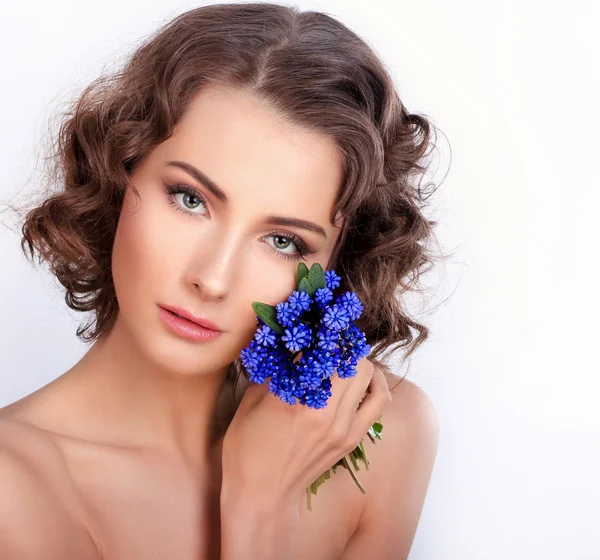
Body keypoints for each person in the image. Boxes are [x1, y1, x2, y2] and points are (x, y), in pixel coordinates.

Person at [0, 3, 441, 559]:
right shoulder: (14, 492)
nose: (212, 279)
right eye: (191, 200)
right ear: (120, 168)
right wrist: (258, 512)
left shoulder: (379, 439)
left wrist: (261, 502)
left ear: (334, 264)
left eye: (283, 241)